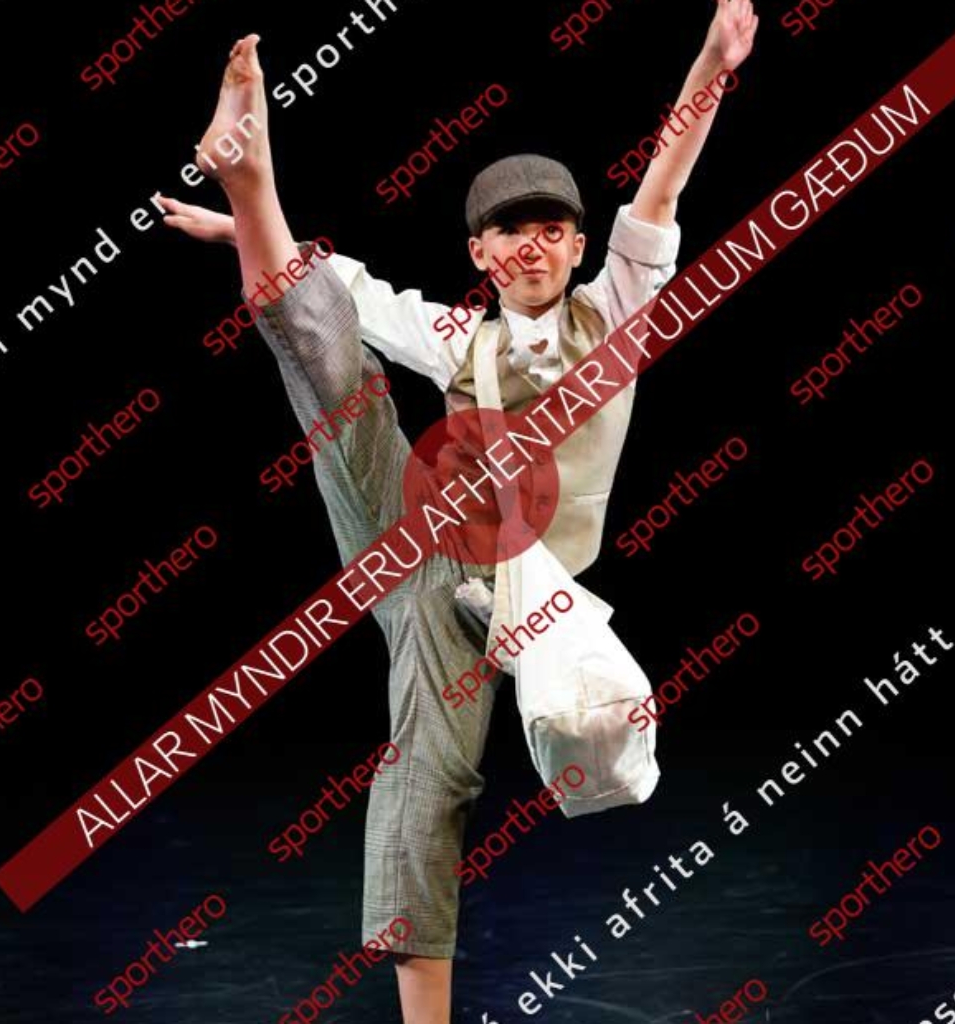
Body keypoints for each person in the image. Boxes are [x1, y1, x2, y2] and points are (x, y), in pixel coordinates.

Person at [165, 4, 756, 1020]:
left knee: (571, 742)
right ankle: (249, 174)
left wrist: (709, 63)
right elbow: (338, 290)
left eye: (553, 230)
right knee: (336, 373)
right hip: (427, 562)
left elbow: (661, 186)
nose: (534, 246)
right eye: (511, 232)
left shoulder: (617, 312)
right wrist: (247, 225)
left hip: (534, 592)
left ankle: (250, 193)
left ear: (578, 245)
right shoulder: (453, 335)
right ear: (481, 252)